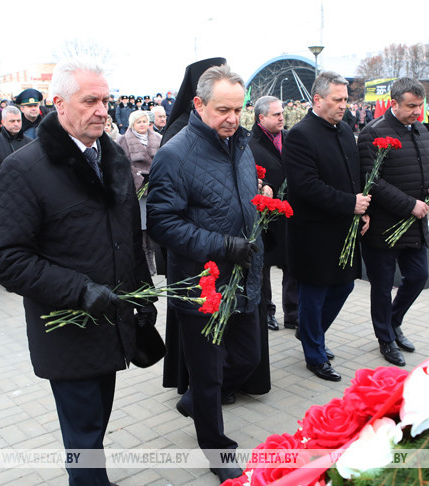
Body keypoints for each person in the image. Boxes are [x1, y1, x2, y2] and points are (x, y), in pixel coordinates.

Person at [0, 59, 155, 486]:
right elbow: (6, 258)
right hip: (68, 327)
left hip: (111, 319)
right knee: (82, 435)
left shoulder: (111, 154)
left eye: (106, 100)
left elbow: (127, 237)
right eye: (90, 101)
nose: (102, 110)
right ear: (59, 103)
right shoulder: (25, 168)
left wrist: (143, 294)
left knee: (95, 423)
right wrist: (79, 290)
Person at [147, 64, 259, 482]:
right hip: (202, 283)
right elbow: (161, 223)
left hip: (244, 278)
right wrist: (223, 245)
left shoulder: (241, 144)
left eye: (238, 109)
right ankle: (218, 450)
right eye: (222, 110)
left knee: (247, 359)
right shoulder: (175, 154)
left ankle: (196, 400)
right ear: (198, 104)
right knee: (210, 374)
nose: (232, 118)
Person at [283, 72, 368, 381]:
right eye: (337, 100)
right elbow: (305, 186)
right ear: (317, 100)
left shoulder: (345, 131)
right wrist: (350, 204)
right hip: (313, 233)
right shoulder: (300, 135)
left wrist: (362, 210)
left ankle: (310, 333)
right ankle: (315, 355)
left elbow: (354, 175)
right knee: (314, 293)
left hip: (344, 228)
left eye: (346, 99)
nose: (343, 105)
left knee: (344, 285)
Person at [359, 77, 429, 367]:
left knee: (418, 276)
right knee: (381, 286)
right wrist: (410, 205)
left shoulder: (420, 130)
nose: (417, 112)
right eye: (411, 106)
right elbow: (373, 182)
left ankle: (393, 323)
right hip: (384, 226)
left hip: (414, 225)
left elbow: (426, 168)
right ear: (393, 103)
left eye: (420, 106)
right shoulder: (372, 133)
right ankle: (385, 339)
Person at [249, 96, 298, 331]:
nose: (282, 118)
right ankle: (267, 310)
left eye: (282, 113)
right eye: (276, 114)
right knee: (264, 265)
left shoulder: (290, 138)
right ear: (261, 118)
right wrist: (264, 183)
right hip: (264, 214)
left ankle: (293, 312)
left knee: (291, 263)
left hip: (289, 211)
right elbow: (249, 174)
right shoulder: (249, 144)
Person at [117, 110, 161, 276]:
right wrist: (138, 175)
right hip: (137, 190)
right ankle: (145, 264)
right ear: (132, 124)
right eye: (139, 122)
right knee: (140, 228)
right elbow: (120, 164)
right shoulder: (122, 140)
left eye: (144, 121)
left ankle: (154, 263)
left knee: (152, 227)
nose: (143, 125)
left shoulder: (157, 138)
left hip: (154, 189)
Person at [0, 106, 32, 194]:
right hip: (5, 194)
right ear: (3, 122)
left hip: (28, 193)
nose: (16, 124)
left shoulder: (30, 142)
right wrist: (10, 185)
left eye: (18, 121)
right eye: (12, 121)